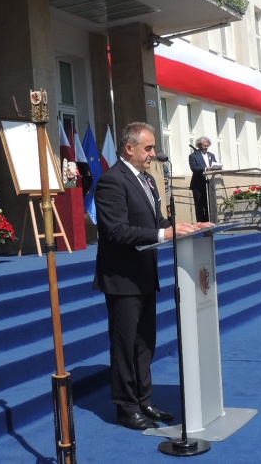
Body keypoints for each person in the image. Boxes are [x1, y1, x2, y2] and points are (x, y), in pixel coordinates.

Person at [94, 122, 204, 431]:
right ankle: (126, 407)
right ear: (129, 148)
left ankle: (144, 399)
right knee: (125, 344)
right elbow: (115, 230)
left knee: (145, 343)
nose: (153, 154)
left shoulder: (148, 181)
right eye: (148, 148)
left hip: (145, 274)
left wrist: (185, 227)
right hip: (122, 278)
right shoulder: (111, 182)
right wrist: (163, 231)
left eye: (153, 147)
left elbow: (157, 221)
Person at [188, 136, 218, 223]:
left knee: (209, 205)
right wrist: (205, 169)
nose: (206, 147)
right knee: (200, 207)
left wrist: (217, 167)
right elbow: (194, 168)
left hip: (210, 184)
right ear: (199, 145)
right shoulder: (193, 156)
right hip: (198, 185)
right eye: (204, 145)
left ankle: (210, 223)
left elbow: (215, 165)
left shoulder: (211, 155)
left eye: (207, 146)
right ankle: (201, 225)